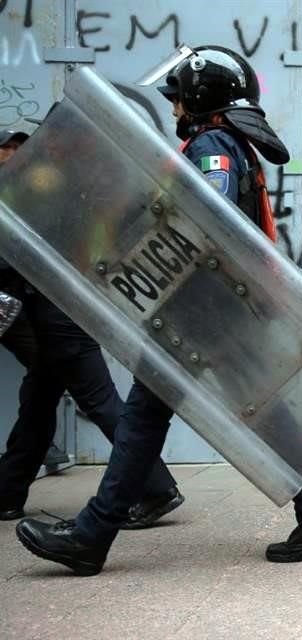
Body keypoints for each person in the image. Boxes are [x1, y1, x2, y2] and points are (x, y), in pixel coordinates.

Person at [15, 45, 302, 576]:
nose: (172, 109)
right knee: (263, 413)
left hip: (203, 310)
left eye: (177, 99)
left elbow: (204, 220)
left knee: (144, 417)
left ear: (200, 97)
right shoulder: (226, 143)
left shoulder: (213, 144)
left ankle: (91, 535)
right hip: (224, 308)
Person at [0, 129, 183, 527]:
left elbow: (24, 250)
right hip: (53, 312)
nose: (13, 154)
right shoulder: (43, 181)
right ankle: (8, 492)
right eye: (6, 149)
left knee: (100, 401)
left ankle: (156, 487)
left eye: (17, 147)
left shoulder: (40, 185)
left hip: (60, 311)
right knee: (37, 403)